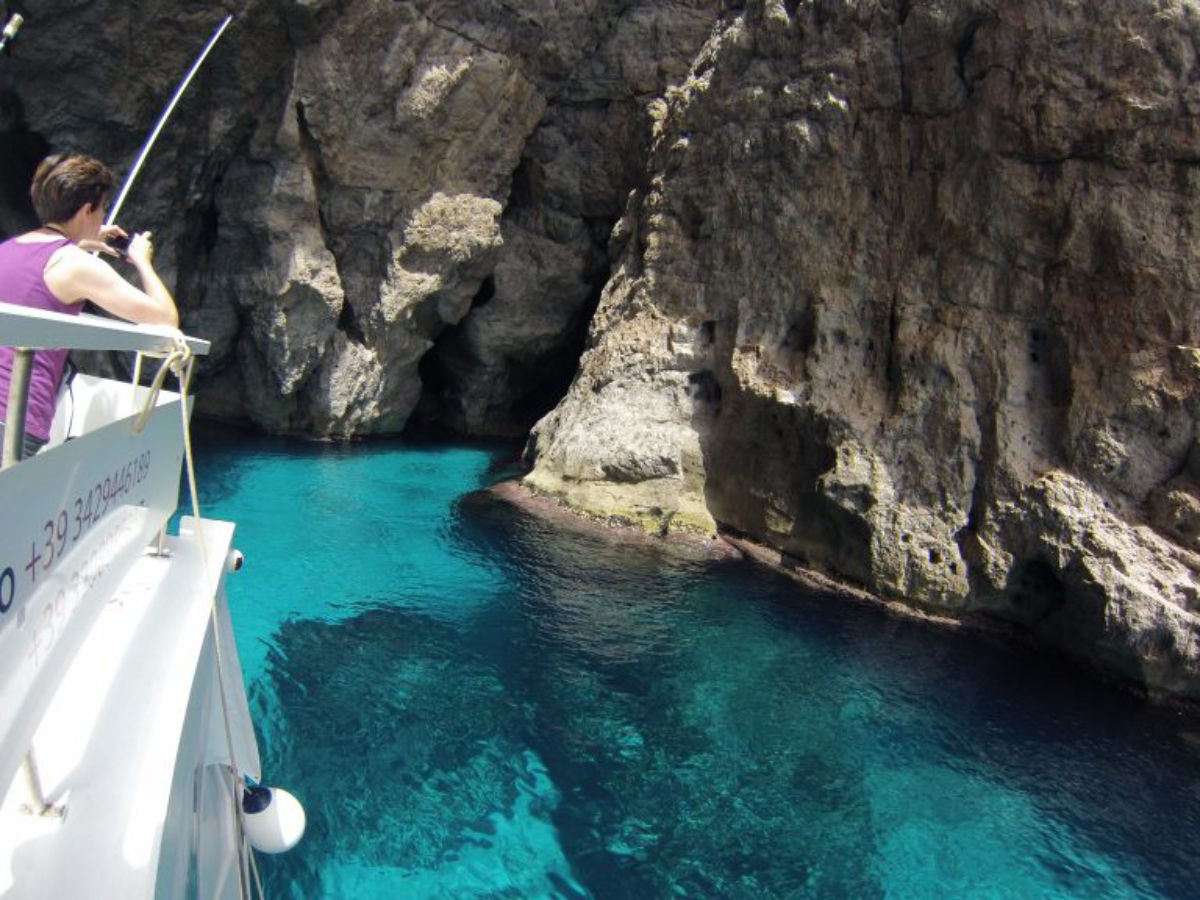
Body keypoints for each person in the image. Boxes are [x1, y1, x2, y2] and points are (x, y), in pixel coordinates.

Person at [0, 152, 179, 460]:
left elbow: (37, 277)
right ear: (87, 210)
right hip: (13, 419)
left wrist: (80, 240)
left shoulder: (8, 249)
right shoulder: (73, 263)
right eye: (102, 208)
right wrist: (142, 261)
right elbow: (165, 319)